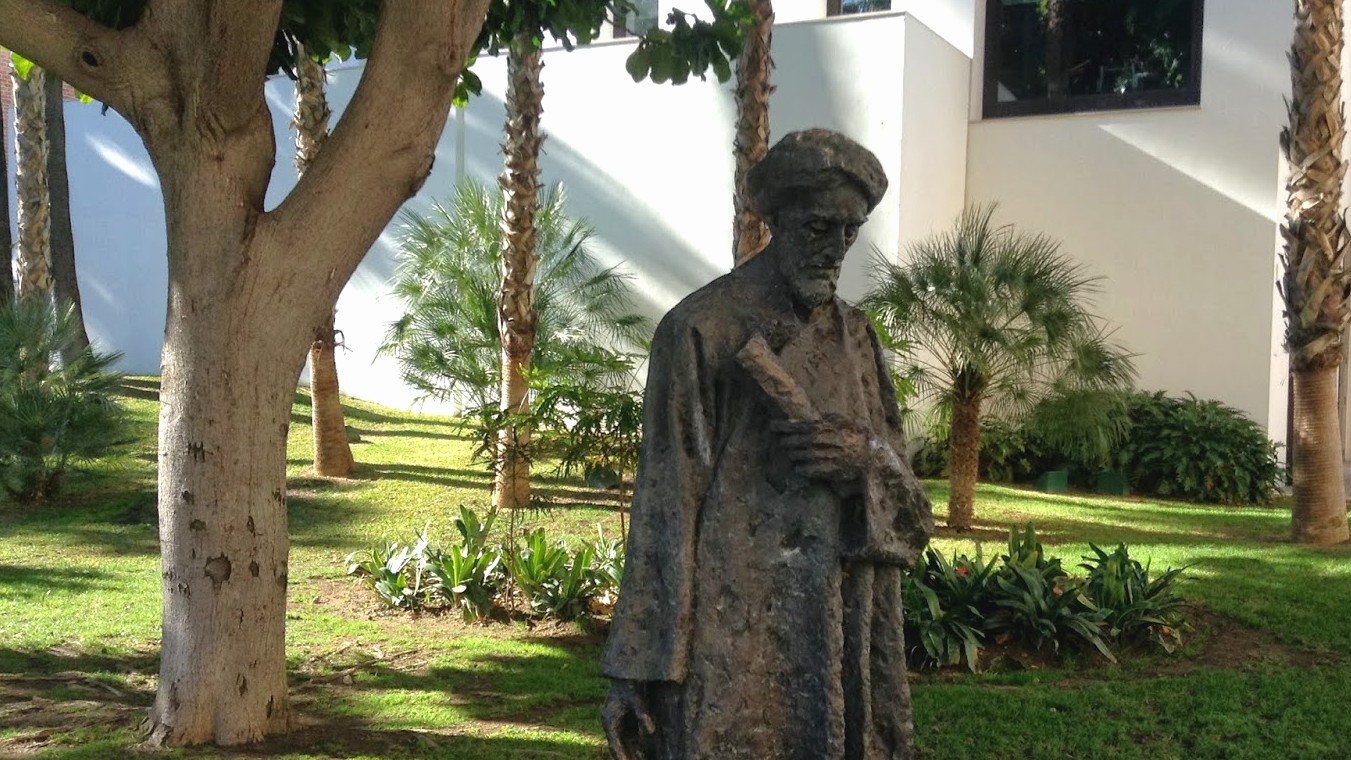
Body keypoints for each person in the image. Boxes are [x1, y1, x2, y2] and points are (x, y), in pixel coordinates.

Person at [600, 129, 934, 760]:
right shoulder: (699, 330)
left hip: (837, 611)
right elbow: (665, 505)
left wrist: (866, 459)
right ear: (776, 220)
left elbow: (911, 509)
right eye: (817, 227)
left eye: (849, 232)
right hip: (732, 624)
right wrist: (636, 669)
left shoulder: (856, 336)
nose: (834, 249)